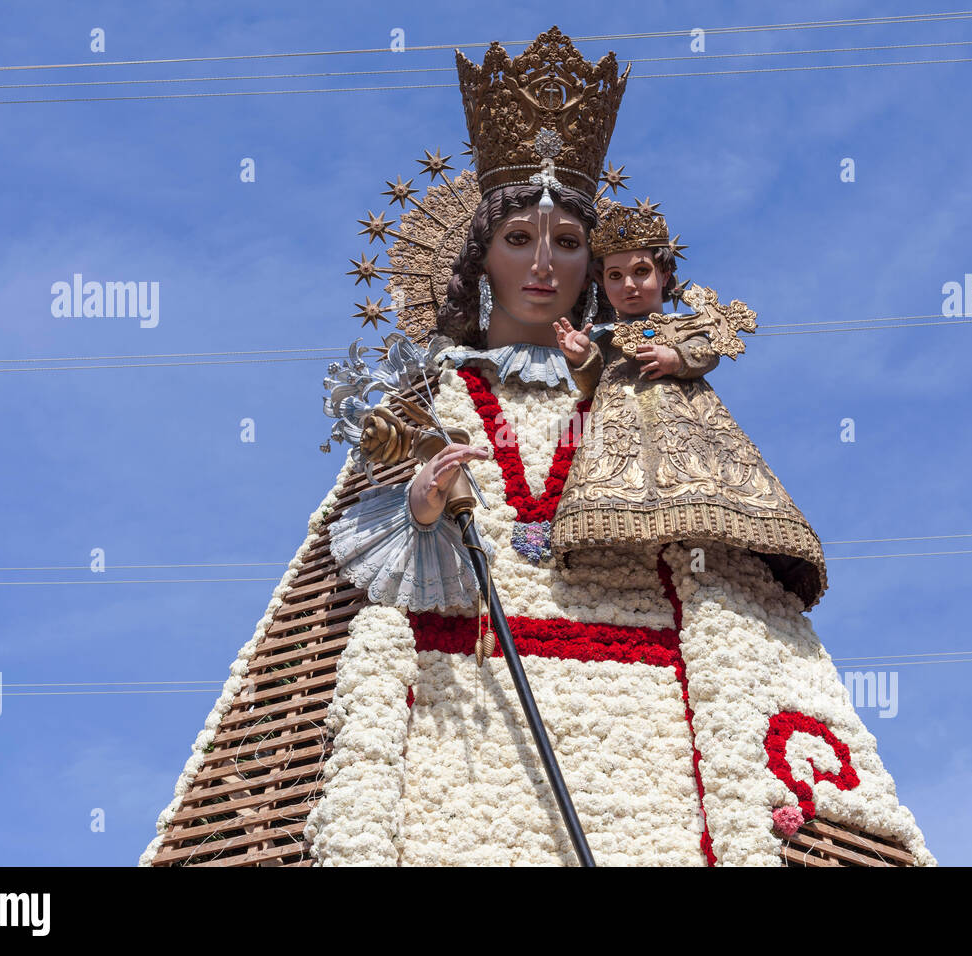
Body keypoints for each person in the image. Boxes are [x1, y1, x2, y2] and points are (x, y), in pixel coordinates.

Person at [301, 26, 935, 867]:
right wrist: (418, 508)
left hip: (656, 713)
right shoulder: (433, 392)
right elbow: (366, 560)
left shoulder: (640, 390)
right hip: (463, 699)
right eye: (518, 240)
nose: (543, 265)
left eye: (566, 243)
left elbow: (714, 557)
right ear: (480, 258)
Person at [551, 198, 828, 610]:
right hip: (619, 431)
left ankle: (705, 555)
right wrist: (580, 358)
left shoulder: (684, 324)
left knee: (695, 491)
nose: (629, 285)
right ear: (602, 284)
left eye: (640, 272)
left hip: (684, 425)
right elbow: (594, 383)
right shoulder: (607, 340)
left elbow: (707, 351)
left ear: (664, 275)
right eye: (615, 275)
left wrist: (676, 359)